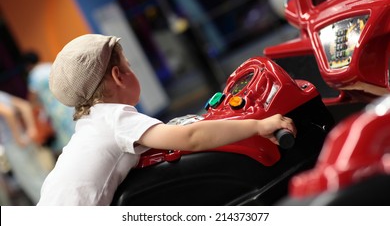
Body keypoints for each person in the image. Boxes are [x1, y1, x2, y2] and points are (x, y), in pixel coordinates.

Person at [37, 34, 296, 206]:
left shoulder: (90, 123)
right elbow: (191, 138)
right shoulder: (116, 118)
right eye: (129, 65)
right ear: (119, 76)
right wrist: (259, 125)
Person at [0, 90, 54, 204]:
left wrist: (17, 137)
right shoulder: (2, 95)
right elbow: (24, 106)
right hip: (25, 139)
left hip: (14, 144)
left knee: (32, 182)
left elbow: (8, 112)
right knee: (41, 176)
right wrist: (31, 129)